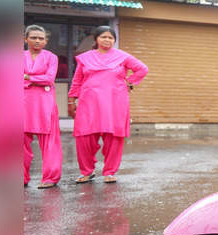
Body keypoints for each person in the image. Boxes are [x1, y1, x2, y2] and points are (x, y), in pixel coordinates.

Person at [68, 26, 148, 184]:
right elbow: (77, 80)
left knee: (113, 137)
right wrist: (71, 100)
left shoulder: (122, 56)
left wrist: (129, 82)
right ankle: (87, 171)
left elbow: (142, 69)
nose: (107, 40)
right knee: (84, 137)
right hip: (88, 102)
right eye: (104, 37)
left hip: (115, 102)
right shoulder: (85, 58)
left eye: (111, 38)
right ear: (96, 39)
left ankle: (110, 172)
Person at [23, 25, 62, 188]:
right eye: (33, 37)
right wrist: (37, 78)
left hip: (44, 104)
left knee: (50, 143)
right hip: (20, 103)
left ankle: (50, 178)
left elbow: (49, 79)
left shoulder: (51, 57)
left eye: (41, 38)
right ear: (25, 39)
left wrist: (26, 76)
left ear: (46, 41)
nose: (37, 41)